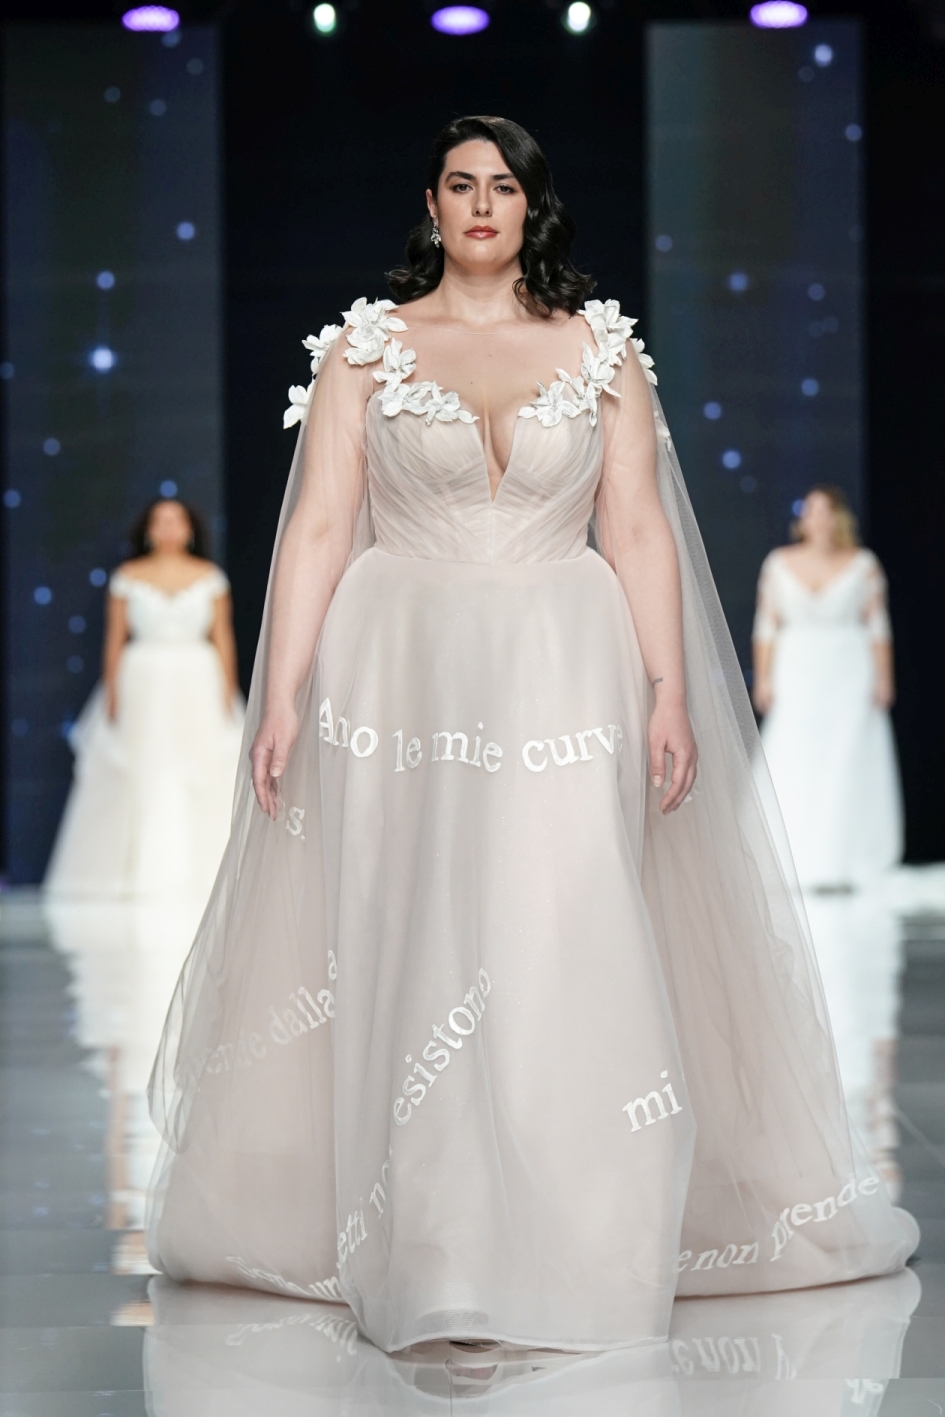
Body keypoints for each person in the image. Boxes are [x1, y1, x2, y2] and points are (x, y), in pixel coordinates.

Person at [146, 117, 916, 1355]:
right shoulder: (365, 348)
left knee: (563, 920)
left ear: (531, 206)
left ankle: (582, 1231)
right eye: (460, 184)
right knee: (412, 928)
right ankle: (434, 1242)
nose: (481, 204)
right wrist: (279, 695)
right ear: (432, 204)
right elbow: (320, 527)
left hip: (565, 664)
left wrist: (669, 690)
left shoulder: (601, 348)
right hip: (398, 670)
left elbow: (640, 527)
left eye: (503, 186)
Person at [45, 497, 244, 901]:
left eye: (177, 520)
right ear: (148, 530)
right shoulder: (128, 577)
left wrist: (228, 689)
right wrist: (112, 691)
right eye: (160, 521)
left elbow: (223, 637)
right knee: (143, 765)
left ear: (190, 529)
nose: (169, 528)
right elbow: (114, 639)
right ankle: (133, 874)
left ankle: (210, 872)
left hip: (197, 681)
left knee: (201, 766)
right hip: (142, 682)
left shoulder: (210, 577)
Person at [752, 486, 903, 890]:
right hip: (796, 670)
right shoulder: (778, 564)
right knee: (795, 755)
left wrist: (884, 678)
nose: (818, 518)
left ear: (838, 517)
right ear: (802, 518)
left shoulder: (863, 564)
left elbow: (878, 627)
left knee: (845, 758)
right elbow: (766, 627)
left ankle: (844, 857)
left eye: (826, 510)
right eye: (811, 510)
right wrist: (763, 678)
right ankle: (790, 855)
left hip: (849, 671)